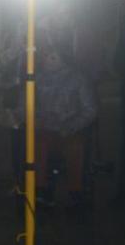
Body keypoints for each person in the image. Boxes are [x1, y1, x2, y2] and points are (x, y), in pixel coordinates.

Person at [34, 45, 98, 208]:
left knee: (74, 148)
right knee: (38, 147)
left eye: (53, 57)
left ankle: (75, 189)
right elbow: (26, 106)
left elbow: (89, 109)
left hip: (71, 128)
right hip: (45, 128)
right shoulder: (35, 79)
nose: (49, 61)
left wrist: (71, 126)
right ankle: (41, 189)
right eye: (46, 57)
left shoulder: (78, 79)